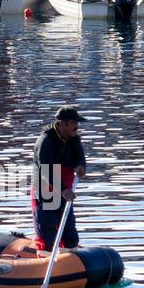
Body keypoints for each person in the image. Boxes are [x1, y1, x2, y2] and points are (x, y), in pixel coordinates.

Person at [32, 107, 88, 252]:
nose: (77, 126)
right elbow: (46, 171)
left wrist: (81, 166)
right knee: (48, 228)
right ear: (62, 124)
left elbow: (80, 156)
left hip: (66, 186)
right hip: (47, 186)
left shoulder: (74, 138)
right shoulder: (46, 141)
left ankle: (70, 252)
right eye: (73, 123)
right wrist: (63, 189)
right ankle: (45, 255)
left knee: (68, 228)